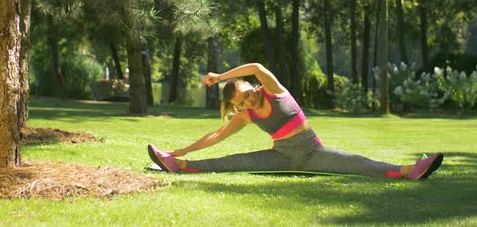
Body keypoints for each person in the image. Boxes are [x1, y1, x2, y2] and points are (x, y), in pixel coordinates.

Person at [147, 63, 443, 179]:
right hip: (281, 156)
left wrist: (219, 77)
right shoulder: (246, 114)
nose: (249, 101)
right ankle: (177, 165)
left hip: (313, 151)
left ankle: (411, 170)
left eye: (248, 94)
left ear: (252, 86)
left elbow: (256, 66)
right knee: (231, 160)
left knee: (358, 163)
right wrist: (182, 151)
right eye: (242, 103)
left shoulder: (274, 89)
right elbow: (217, 135)